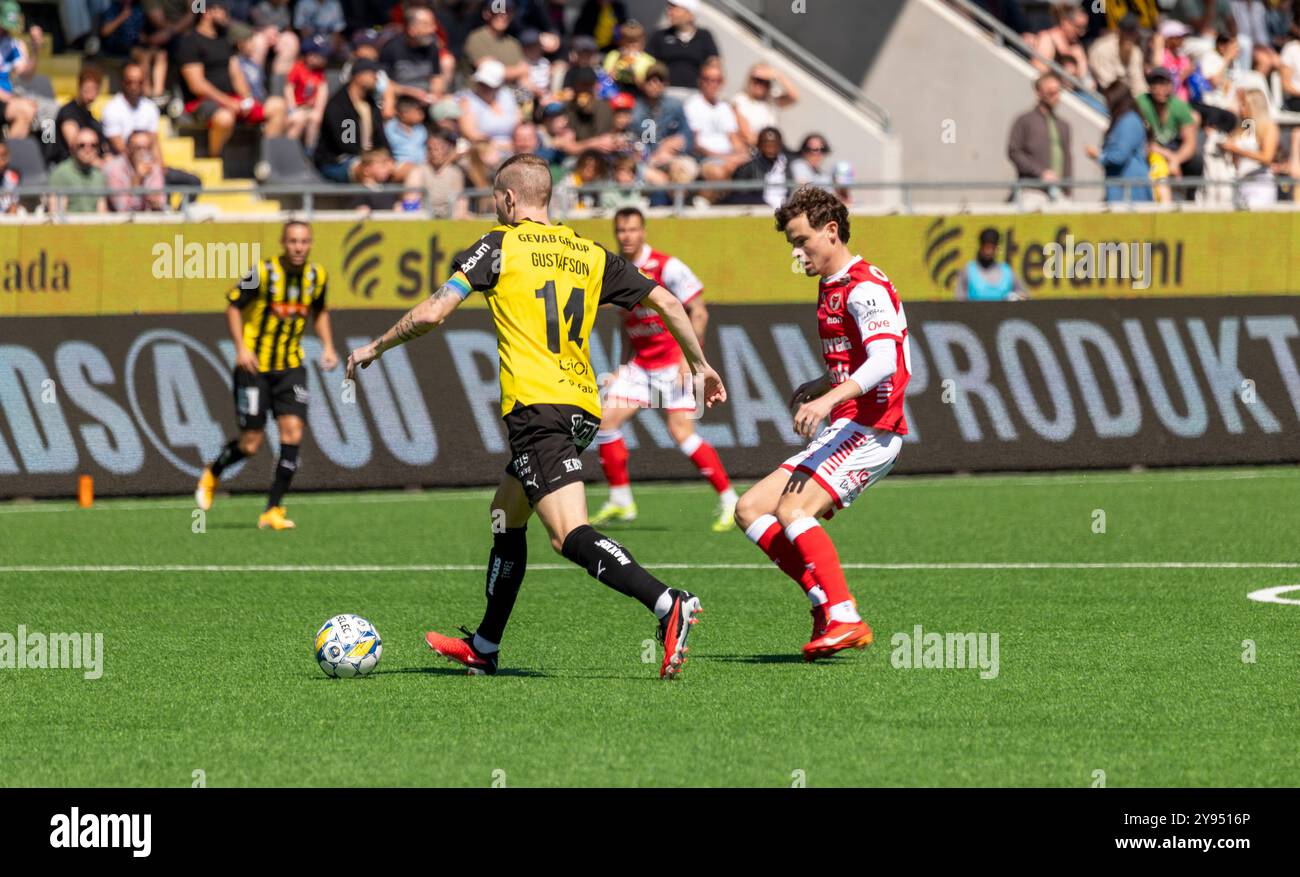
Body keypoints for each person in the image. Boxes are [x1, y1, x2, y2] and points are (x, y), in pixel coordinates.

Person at [344, 153, 727, 679]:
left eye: (496, 200)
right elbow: (667, 301)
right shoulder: (590, 253)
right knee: (506, 515)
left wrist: (376, 347)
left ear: (506, 199)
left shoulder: (498, 245)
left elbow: (433, 311)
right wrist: (700, 364)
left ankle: (667, 603)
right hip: (582, 409)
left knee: (568, 534)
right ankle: (484, 644)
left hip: (536, 409)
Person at [733, 185, 910, 660]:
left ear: (831, 232)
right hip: (849, 426)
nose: (797, 252)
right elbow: (857, 357)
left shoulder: (864, 286)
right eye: (792, 243)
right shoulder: (832, 284)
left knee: (792, 511)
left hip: (873, 428)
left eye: (802, 240)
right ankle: (823, 603)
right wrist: (822, 381)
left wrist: (828, 398)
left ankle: (845, 616)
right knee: (749, 510)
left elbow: (885, 361)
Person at [592, 207, 736, 531]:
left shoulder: (667, 265)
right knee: (605, 422)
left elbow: (698, 311)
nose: (626, 236)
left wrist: (690, 359)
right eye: (621, 230)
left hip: (673, 362)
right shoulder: (616, 269)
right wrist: (622, 365)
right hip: (640, 366)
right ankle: (620, 500)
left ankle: (729, 499)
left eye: (632, 230)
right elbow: (625, 322)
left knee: (681, 432)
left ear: (643, 231)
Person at [196, 221, 338, 530]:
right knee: (251, 443)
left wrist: (328, 345)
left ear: (311, 243)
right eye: (292, 241)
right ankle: (213, 471)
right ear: (283, 243)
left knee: (293, 434)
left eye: (303, 241)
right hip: (254, 369)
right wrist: (241, 348)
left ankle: (273, 509)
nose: (298, 247)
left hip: (290, 367)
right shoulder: (262, 273)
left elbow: (321, 311)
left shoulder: (318, 277)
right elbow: (233, 306)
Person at [175, 1, 286, 157]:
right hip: (202, 103)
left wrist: (247, 99)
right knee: (224, 118)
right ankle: (214, 160)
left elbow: (236, 73)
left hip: (232, 100)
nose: (225, 14)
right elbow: (197, 85)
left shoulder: (224, 40)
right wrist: (228, 102)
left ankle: (267, 163)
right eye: (221, 10)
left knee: (278, 106)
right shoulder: (190, 42)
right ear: (207, 13)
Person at [315, 58, 387, 182]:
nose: (376, 78)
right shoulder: (339, 105)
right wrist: (371, 159)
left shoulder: (371, 105)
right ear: (358, 76)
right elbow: (346, 143)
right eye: (372, 74)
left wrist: (385, 157)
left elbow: (381, 139)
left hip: (368, 159)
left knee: (402, 169)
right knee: (370, 170)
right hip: (337, 162)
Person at [1007, 73, 1073, 206]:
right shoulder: (1024, 121)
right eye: (1051, 92)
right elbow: (1013, 151)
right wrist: (1040, 173)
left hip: (1059, 192)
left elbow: (1067, 157)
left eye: (1058, 91)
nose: (1056, 96)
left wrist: (1067, 188)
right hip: (1032, 190)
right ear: (1038, 93)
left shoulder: (1063, 125)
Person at [1086, 80, 1151, 202]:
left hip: (1129, 189)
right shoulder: (1123, 121)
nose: (1107, 104)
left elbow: (1119, 155)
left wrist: (1098, 155)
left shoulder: (1128, 122)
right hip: (1121, 187)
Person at [1222, 87, 1279, 207]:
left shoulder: (1269, 127)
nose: (1241, 108)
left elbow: (1267, 157)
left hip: (1260, 185)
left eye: (1244, 105)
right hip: (1240, 182)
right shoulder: (1240, 128)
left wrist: (1237, 150)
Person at [646, 0, 719, 88]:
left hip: (694, 95)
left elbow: (714, 65)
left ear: (690, 14)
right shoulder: (659, 35)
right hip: (663, 94)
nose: (669, 12)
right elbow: (646, 63)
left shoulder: (704, 36)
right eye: (669, 8)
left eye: (675, 8)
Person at [732, 62, 799, 147]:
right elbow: (747, 135)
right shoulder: (740, 100)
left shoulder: (772, 100)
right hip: (754, 148)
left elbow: (794, 96)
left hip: (773, 147)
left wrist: (777, 74)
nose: (760, 85)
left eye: (765, 81)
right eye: (757, 80)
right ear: (750, 80)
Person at [47, 129, 108, 214]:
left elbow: (102, 214)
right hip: (71, 226)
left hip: (95, 225)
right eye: (82, 145)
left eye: (93, 145)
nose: (88, 149)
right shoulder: (61, 173)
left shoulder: (98, 175)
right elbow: (57, 216)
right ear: (72, 148)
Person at [955, 228, 1026, 301]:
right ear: (981, 247)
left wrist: (1015, 296)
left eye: (992, 248)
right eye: (987, 247)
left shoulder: (1007, 271)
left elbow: (1024, 295)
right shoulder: (968, 270)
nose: (989, 252)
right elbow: (960, 299)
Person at [105, 128, 166, 212]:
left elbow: (160, 204)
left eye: (147, 148)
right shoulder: (114, 169)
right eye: (138, 148)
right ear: (128, 149)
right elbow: (122, 208)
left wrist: (153, 200)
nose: (143, 153)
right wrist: (137, 178)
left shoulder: (154, 169)